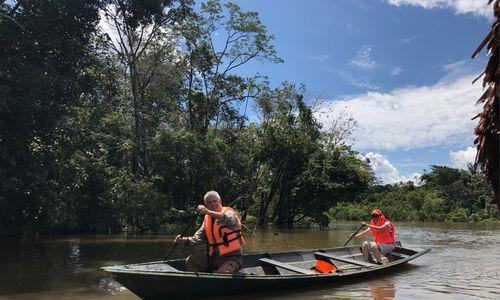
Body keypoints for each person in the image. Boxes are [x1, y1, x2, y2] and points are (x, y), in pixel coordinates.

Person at [173, 190, 245, 273]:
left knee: (222, 274)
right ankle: (194, 283)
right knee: (191, 260)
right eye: (209, 202)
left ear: (220, 201)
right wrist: (184, 240)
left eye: (215, 201)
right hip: (214, 258)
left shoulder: (229, 212)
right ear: (206, 205)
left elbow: (231, 220)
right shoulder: (207, 219)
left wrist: (208, 212)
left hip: (232, 258)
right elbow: (197, 238)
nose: (213, 204)